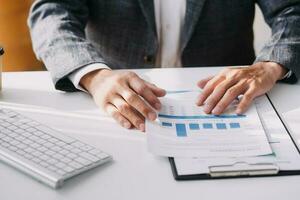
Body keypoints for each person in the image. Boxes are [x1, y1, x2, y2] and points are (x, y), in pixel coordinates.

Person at [28, 0, 300, 131]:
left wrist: (271, 64)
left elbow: (291, 11)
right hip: (111, 105)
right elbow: (51, 13)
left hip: (229, 108)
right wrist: (94, 75)